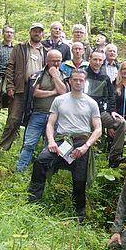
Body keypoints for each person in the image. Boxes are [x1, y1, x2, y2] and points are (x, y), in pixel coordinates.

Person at [28, 68, 102, 222]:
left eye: (81, 80)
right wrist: (51, 141)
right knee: (41, 161)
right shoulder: (60, 100)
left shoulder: (91, 103)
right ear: (70, 81)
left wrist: (86, 146)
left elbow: (98, 129)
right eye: (75, 79)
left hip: (82, 141)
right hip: (62, 140)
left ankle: (79, 214)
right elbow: (50, 124)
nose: (78, 82)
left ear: (85, 82)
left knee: (80, 178)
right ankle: (33, 202)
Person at [16, 50, 68, 172]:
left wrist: (55, 76)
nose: (56, 64)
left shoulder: (64, 76)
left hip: (56, 117)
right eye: (53, 61)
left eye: (58, 61)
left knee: (50, 146)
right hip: (38, 114)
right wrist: (53, 92)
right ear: (47, 61)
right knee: (29, 144)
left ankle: (46, 172)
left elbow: (64, 92)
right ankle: (20, 170)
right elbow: (35, 92)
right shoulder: (38, 75)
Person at [0, 23, 47, 151]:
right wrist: (10, 86)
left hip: (37, 90)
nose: (37, 33)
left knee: (33, 120)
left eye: (39, 31)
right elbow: (10, 67)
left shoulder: (45, 51)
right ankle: (3, 148)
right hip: (20, 88)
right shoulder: (20, 48)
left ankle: (27, 151)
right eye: (35, 31)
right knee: (13, 119)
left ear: (42, 34)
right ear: (30, 32)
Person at [85, 50, 126, 167]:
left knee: (121, 123)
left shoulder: (105, 78)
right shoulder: (82, 75)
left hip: (100, 112)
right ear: (89, 59)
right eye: (95, 59)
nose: (97, 62)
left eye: (100, 60)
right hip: (83, 113)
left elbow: (110, 96)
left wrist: (112, 110)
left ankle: (115, 157)